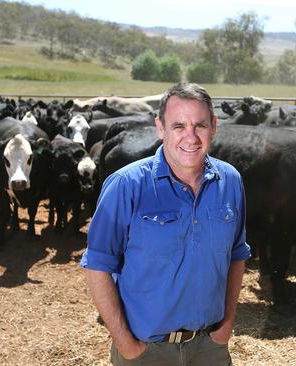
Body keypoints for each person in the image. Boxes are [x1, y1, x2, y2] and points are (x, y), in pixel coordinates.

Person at [81, 83, 250, 365]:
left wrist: (226, 325)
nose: (191, 137)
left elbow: (236, 254)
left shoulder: (230, 181)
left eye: (200, 125)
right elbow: (98, 264)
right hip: (147, 351)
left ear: (214, 126)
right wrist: (127, 345)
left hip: (209, 349)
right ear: (160, 128)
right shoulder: (126, 185)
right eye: (179, 126)